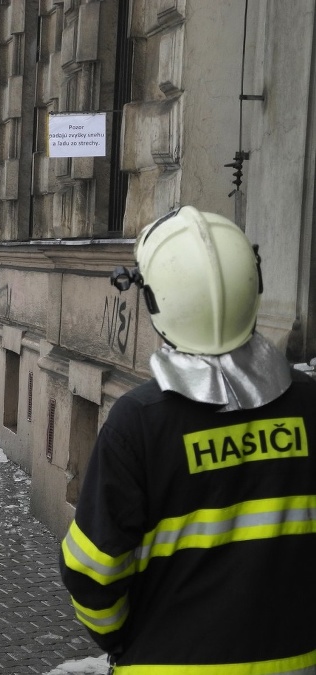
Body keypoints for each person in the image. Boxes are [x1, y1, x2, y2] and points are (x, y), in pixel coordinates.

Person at [59, 206, 316, 673]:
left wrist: (119, 637)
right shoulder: (309, 405)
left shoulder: (139, 422)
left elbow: (91, 569)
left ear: (157, 303)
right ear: (253, 287)